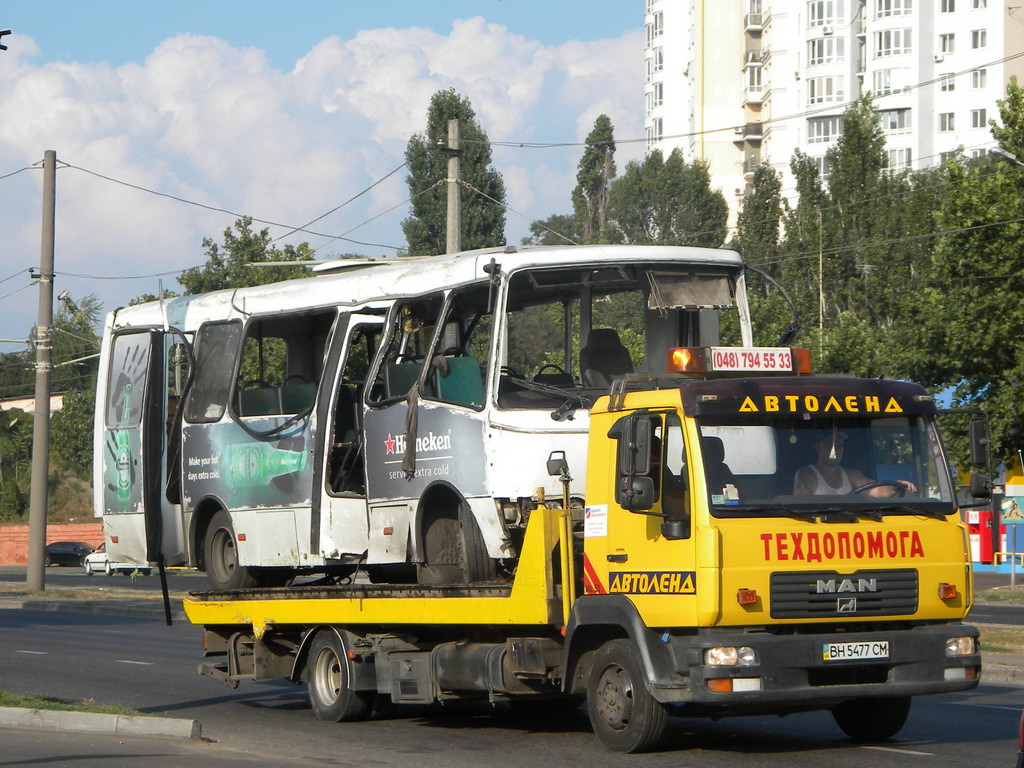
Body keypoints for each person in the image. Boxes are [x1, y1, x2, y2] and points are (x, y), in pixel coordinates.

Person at [793, 432, 916, 497]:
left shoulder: (851, 475)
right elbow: (802, 503)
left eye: (839, 445)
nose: (834, 451)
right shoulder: (806, 474)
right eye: (829, 445)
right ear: (817, 448)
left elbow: (877, 490)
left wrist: (896, 486)